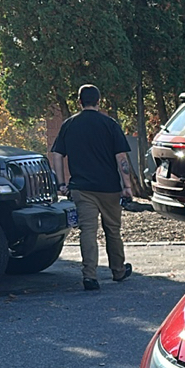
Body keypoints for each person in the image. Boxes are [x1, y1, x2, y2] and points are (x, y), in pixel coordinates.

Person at [49, 85, 134, 290]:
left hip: (82, 188)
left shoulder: (69, 125)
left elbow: (57, 155)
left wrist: (61, 183)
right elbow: (121, 158)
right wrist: (127, 186)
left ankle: (90, 276)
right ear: (99, 100)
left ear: (79, 101)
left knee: (88, 230)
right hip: (109, 188)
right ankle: (118, 270)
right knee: (112, 230)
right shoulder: (110, 124)